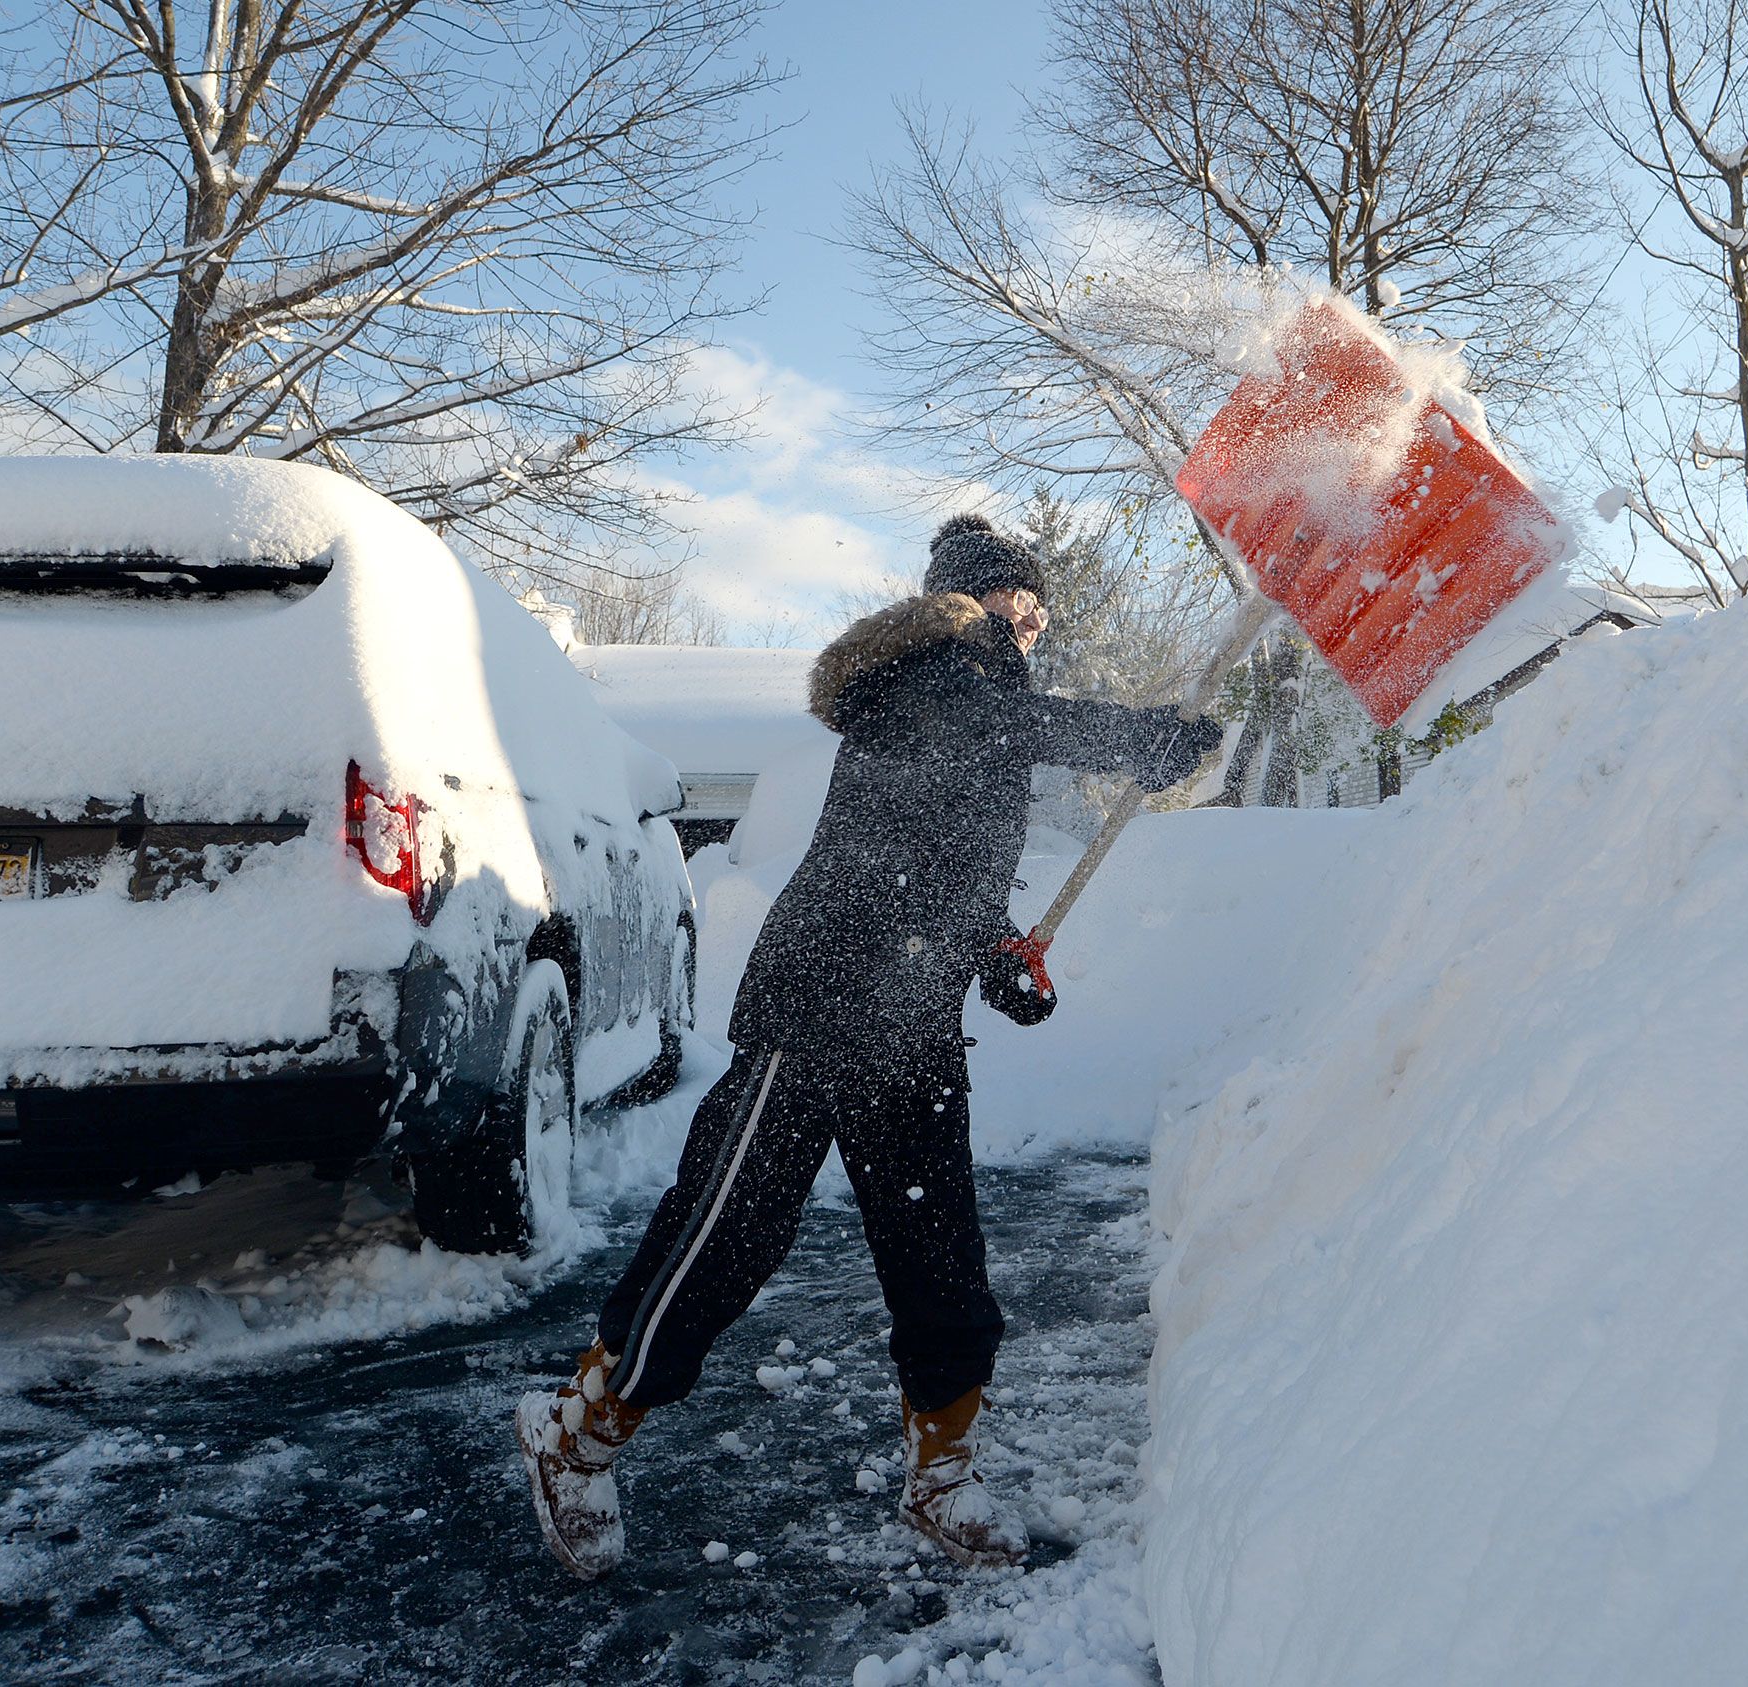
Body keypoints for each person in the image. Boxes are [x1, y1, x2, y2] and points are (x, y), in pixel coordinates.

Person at [515, 513, 1225, 1581]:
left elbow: (946, 861)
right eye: (1019, 605)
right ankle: (577, 1433)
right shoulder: (920, 678)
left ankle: (941, 1470)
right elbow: (983, 724)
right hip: (819, 1007)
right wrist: (1142, 736)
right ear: (972, 601)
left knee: (941, 1257)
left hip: (913, 1021)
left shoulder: (989, 708)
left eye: (1037, 613)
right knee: (726, 1237)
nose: (1032, 626)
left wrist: (993, 955)